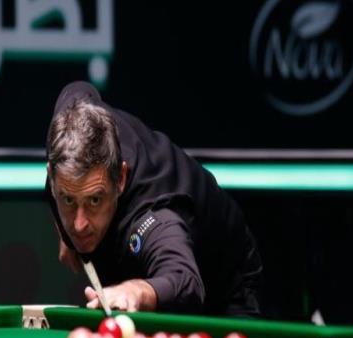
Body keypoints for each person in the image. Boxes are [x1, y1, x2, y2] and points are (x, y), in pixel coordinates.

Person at [45, 81, 262, 317]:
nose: (79, 225)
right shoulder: (69, 121)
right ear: (51, 174)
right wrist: (64, 231)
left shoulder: (154, 211)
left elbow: (184, 279)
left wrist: (136, 291)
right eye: (68, 200)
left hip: (225, 285)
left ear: (120, 179)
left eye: (94, 200)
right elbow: (78, 87)